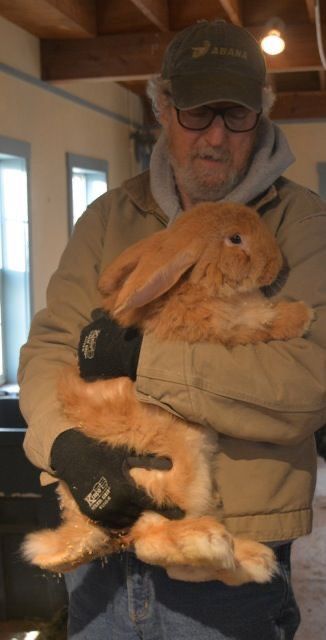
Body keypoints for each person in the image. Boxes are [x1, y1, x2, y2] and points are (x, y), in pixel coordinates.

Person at [18, 19, 326, 640]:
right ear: (163, 109)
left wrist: (142, 359)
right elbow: (51, 347)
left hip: (229, 552)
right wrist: (65, 449)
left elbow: (309, 380)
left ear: (261, 117)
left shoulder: (301, 221)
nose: (216, 137)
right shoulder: (109, 217)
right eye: (196, 113)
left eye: (236, 116)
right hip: (103, 559)